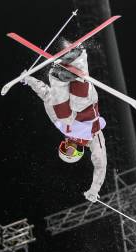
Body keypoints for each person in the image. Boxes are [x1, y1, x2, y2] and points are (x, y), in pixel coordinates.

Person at [22, 45, 106, 203]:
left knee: (61, 113)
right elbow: (100, 163)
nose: (67, 144)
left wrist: (29, 80)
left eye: (63, 147)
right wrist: (94, 189)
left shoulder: (61, 126)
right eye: (69, 150)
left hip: (65, 94)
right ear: (78, 152)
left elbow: (47, 96)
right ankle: (79, 60)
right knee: (75, 107)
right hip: (86, 103)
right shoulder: (92, 140)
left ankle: (59, 76)